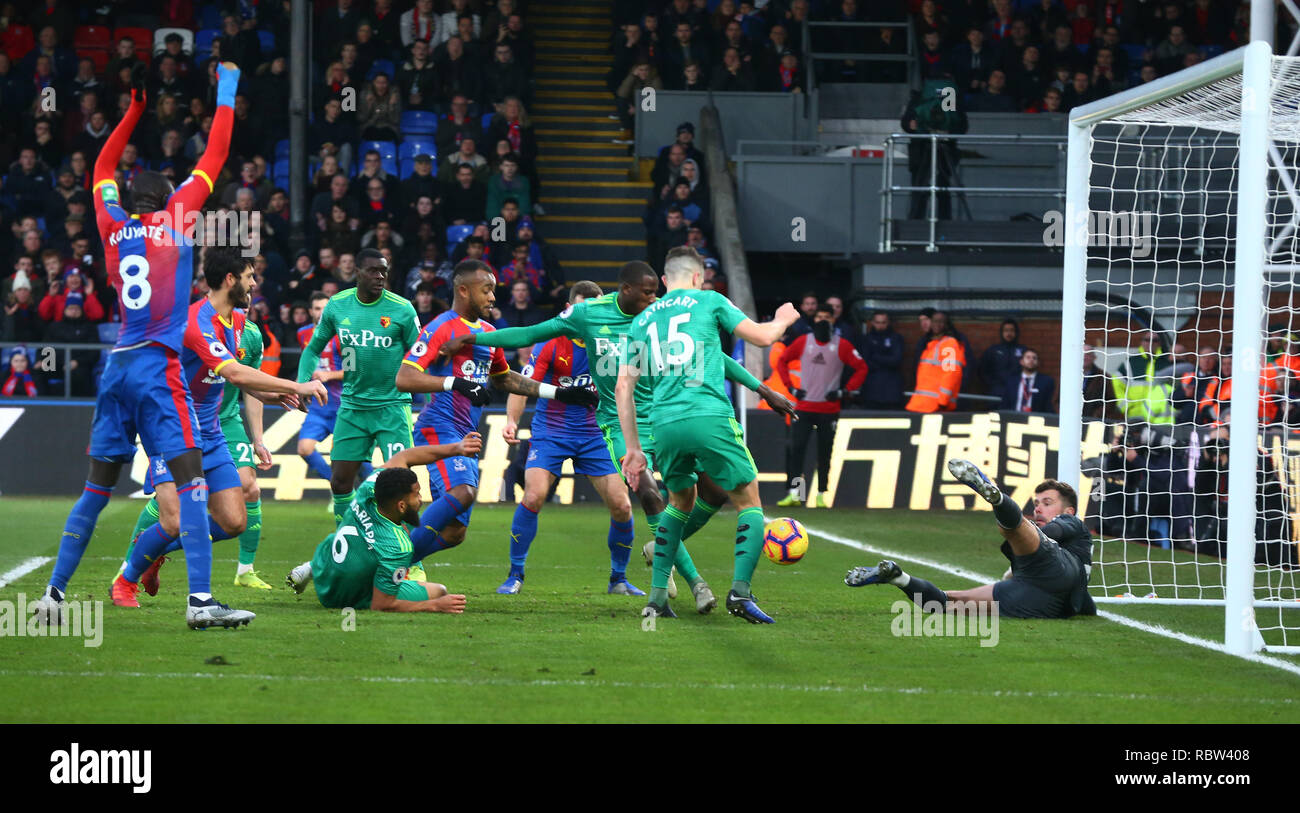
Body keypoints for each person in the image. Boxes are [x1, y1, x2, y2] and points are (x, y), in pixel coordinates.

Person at [35, 62, 260, 630]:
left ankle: (53, 597)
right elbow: (216, 151)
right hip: (159, 371)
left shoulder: (111, 223)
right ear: (166, 200)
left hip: (117, 369)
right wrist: (227, 87)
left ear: (127, 199)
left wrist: (133, 110)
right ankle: (202, 603)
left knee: (94, 491)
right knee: (192, 485)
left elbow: (104, 165)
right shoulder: (178, 218)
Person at [435, 260, 795, 612]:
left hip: (661, 413)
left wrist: (761, 389)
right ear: (625, 290)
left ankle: (661, 552)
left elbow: (711, 354)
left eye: (656, 293)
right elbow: (528, 334)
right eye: (647, 294)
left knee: (711, 493)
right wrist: (473, 337)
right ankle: (696, 583)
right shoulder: (588, 314)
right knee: (648, 493)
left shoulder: (657, 316)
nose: (653, 301)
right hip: (618, 422)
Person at [112, 248, 327, 609]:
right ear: (230, 280)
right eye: (249, 276)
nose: (255, 283)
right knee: (174, 519)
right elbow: (232, 371)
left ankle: (154, 551)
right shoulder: (197, 321)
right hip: (169, 428)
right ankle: (126, 581)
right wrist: (295, 385)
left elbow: (232, 379)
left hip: (210, 432)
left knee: (233, 521)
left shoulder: (239, 323)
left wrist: (271, 396)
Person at [617, 246, 801, 623]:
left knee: (680, 501)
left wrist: (634, 448)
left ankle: (655, 599)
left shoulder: (642, 319)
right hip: (708, 415)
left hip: (664, 424)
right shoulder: (710, 300)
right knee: (748, 501)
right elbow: (763, 339)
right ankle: (741, 593)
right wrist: (782, 319)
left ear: (665, 281)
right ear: (699, 277)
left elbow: (624, 387)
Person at [394, 260, 597, 581]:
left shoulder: (489, 334)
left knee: (455, 532)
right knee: (462, 492)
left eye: (493, 290)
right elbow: (404, 378)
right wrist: (455, 382)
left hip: (466, 436)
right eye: (486, 290)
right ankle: (393, 565)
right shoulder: (440, 327)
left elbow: (505, 379)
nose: (492, 297)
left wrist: (559, 394)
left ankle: (392, 562)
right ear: (463, 290)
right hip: (439, 426)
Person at [495, 281, 645, 595]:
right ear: (569, 309)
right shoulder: (551, 343)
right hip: (552, 432)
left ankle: (618, 580)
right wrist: (511, 419)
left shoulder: (614, 342)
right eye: (582, 307)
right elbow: (523, 384)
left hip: (597, 433)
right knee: (533, 496)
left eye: (595, 306)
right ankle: (515, 574)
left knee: (622, 505)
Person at [847, 460, 1097, 620]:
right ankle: (898, 578)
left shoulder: (1072, 524)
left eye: (1047, 503)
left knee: (1016, 529)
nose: (1039, 508)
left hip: (1052, 571)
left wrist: (1027, 534)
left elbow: (1051, 535)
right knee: (946, 604)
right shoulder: (1072, 557)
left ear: (1068, 511)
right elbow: (1086, 606)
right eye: (1037, 503)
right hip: (1039, 602)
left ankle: (996, 498)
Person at [297, 249, 424, 527]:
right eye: (373, 271)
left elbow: (422, 355)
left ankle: (411, 560)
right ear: (357, 272)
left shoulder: (402, 308)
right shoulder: (337, 305)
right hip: (352, 406)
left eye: (384, 271)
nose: (380, 276)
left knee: (402, 486)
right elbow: (313, 349)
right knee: (340, 481)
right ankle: (347, 545)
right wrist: (301, 384)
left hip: (392, 406)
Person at [286, 464, 470, 613]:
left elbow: (403, 457)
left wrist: (454, 448)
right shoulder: (399, 546)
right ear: (401, 505)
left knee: (357, 539)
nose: (421, 499)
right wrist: (435, 605)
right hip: (346, 598)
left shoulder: (366, 491)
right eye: (417, 495)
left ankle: (312, 566)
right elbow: (382, 605)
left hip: (325, 574)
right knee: (439, 591)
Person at [775, 301, 868, 508]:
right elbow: (782, 360)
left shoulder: (842, 345)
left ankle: (820, 494)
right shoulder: (803, 342)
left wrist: (846, 390)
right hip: (804, 407)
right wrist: (791, 387)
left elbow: (861, 367)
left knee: (824, 453)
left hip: (829, 409)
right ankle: (796, 494)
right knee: (797, 449)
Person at [297, 291, 346, 484]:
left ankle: (372, 496)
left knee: (349, 459)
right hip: (318, 406)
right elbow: (306, 363)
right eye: (318, 308)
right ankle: (338, 485)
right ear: (311, 311)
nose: (322, 313)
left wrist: (329, 375)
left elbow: (356, 371)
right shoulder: (303, 334)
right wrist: (303, 384)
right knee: (304, 449)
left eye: (326, 308)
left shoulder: (343, 335)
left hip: (343, 406)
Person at [905, 310, 966, 412]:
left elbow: (951, 374)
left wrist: (943, 402)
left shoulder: (949, 344)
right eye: (934, 321)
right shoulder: (931, 344)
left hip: (936, 406)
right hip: (922, 404)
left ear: (947, 325)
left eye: (941, 321)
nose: (937, 324)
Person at [860, 310, 904, 409]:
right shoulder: (866, 339)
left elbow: (896, 360)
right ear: (872, 322)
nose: (880, 325)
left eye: (883, 322)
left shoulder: (896, 338)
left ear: (888, 323)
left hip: (892, 392)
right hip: (871, 390)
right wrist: (887, 360)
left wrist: (876, 357)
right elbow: (865, 362)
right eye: (878, 322)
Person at [978, 318, 1026, 403]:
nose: (1009, 333)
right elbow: (982, 369)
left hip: (1017, 391)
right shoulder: (993, 350)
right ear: (1002, 332)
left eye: (1012, 330)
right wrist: (992, 384)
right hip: (996, 392)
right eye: (1006, 330)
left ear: (1016, 333)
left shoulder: (1023, 350)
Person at [1000, 348, 1055, 413]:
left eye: (1034, 358)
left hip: (1036, 419)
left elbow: (1048, 405)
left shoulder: (1046, 382)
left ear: (1038, 362)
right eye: (1028, 357)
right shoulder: (1011, 381)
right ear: (1021, 361)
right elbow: (1005, 404)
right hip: (1014, 418)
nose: (1031, 360)